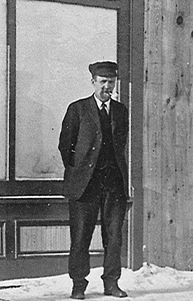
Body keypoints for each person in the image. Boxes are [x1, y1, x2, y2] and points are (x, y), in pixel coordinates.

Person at [59, 61, 130, 299]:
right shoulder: (77, 109)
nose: (107, 86)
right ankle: (78, 285)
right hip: (84, 186)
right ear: (93, 82)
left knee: (114, 236)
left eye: (111, 82)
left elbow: (120, 147)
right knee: (80, 237)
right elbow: (65, 146)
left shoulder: (121, 111)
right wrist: (79, 172)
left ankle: (112, 283)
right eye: (102, 82)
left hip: (113, 185)